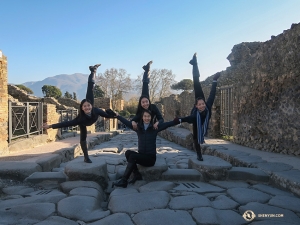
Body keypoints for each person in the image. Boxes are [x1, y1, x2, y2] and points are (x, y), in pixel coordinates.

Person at [43, 64, 116, 163]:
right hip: (84, 123)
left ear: (91, 105)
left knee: (90, 88)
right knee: (83, 138)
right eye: (84, 106)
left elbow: (109, 116)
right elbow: (65, 123)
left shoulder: (96, 110)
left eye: (88, 106)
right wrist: (50, 126)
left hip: (91, 108)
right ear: (82, 108)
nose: (87, 107)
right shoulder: (80, 119)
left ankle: (93, 71)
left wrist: (113, 113)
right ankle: (86, 157)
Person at [105, 108, 180, 188]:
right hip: (141, 155)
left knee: (133, 157)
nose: (146, 118)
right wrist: (117, 116)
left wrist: (178, 121)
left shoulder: (154, 128)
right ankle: (137, 174)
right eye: (145, 116)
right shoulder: (139, 128)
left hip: (150, 159)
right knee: (128, 153)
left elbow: (167, 124)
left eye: (148, 116)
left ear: (151, 118)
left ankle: (124, 180)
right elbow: (126, 122)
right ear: (142, 117)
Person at [180, 53, 220, 161]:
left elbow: (212, 93)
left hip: (203, 119)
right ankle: (199, 154)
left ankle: (194, 63)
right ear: (196, 105)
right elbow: (187, 119)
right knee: (195, 137)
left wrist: (214, 81)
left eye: (203, 104)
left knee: (197, 84)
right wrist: (178, 120)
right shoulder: (195, 113)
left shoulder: (207, 105)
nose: (202, 106)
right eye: (200, 105)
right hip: (196, 118)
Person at [131, 61, 164, 130]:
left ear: (149, 101)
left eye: (146, 102)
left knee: (145, 92)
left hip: (152, 130)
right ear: (140, 104)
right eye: (143, 103)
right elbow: (132, 120)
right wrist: (133, 122)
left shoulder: (153, 107)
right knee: (145, 92)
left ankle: (146, 71)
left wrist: (157, 123)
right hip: (143, 133)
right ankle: (147, 71)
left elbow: (161, 119)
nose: (145, 104)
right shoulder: (140, 111)